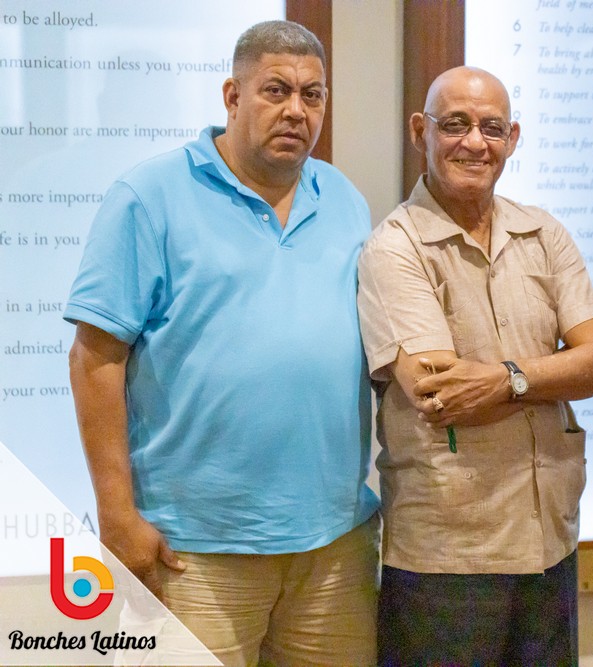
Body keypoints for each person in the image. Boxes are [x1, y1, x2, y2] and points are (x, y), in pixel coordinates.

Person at [65, 20, 379, 666]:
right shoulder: (149, 197)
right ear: (233, 96)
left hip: (333, 549)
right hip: (193, 551)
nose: (296, 110)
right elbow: (95, 359)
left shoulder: (343, 199)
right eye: (276, 90)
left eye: (313, 95)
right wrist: (116, 516)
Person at [357, 65, 593, 665]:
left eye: (492, 127)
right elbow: (441, 395)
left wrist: (506, 378)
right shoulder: (394, 247)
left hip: (551, 545)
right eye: (455, 124)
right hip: (446, 562)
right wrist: (558, 371)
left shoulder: (544, 233)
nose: (475, 142)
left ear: (513, 138)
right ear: (420, 131)